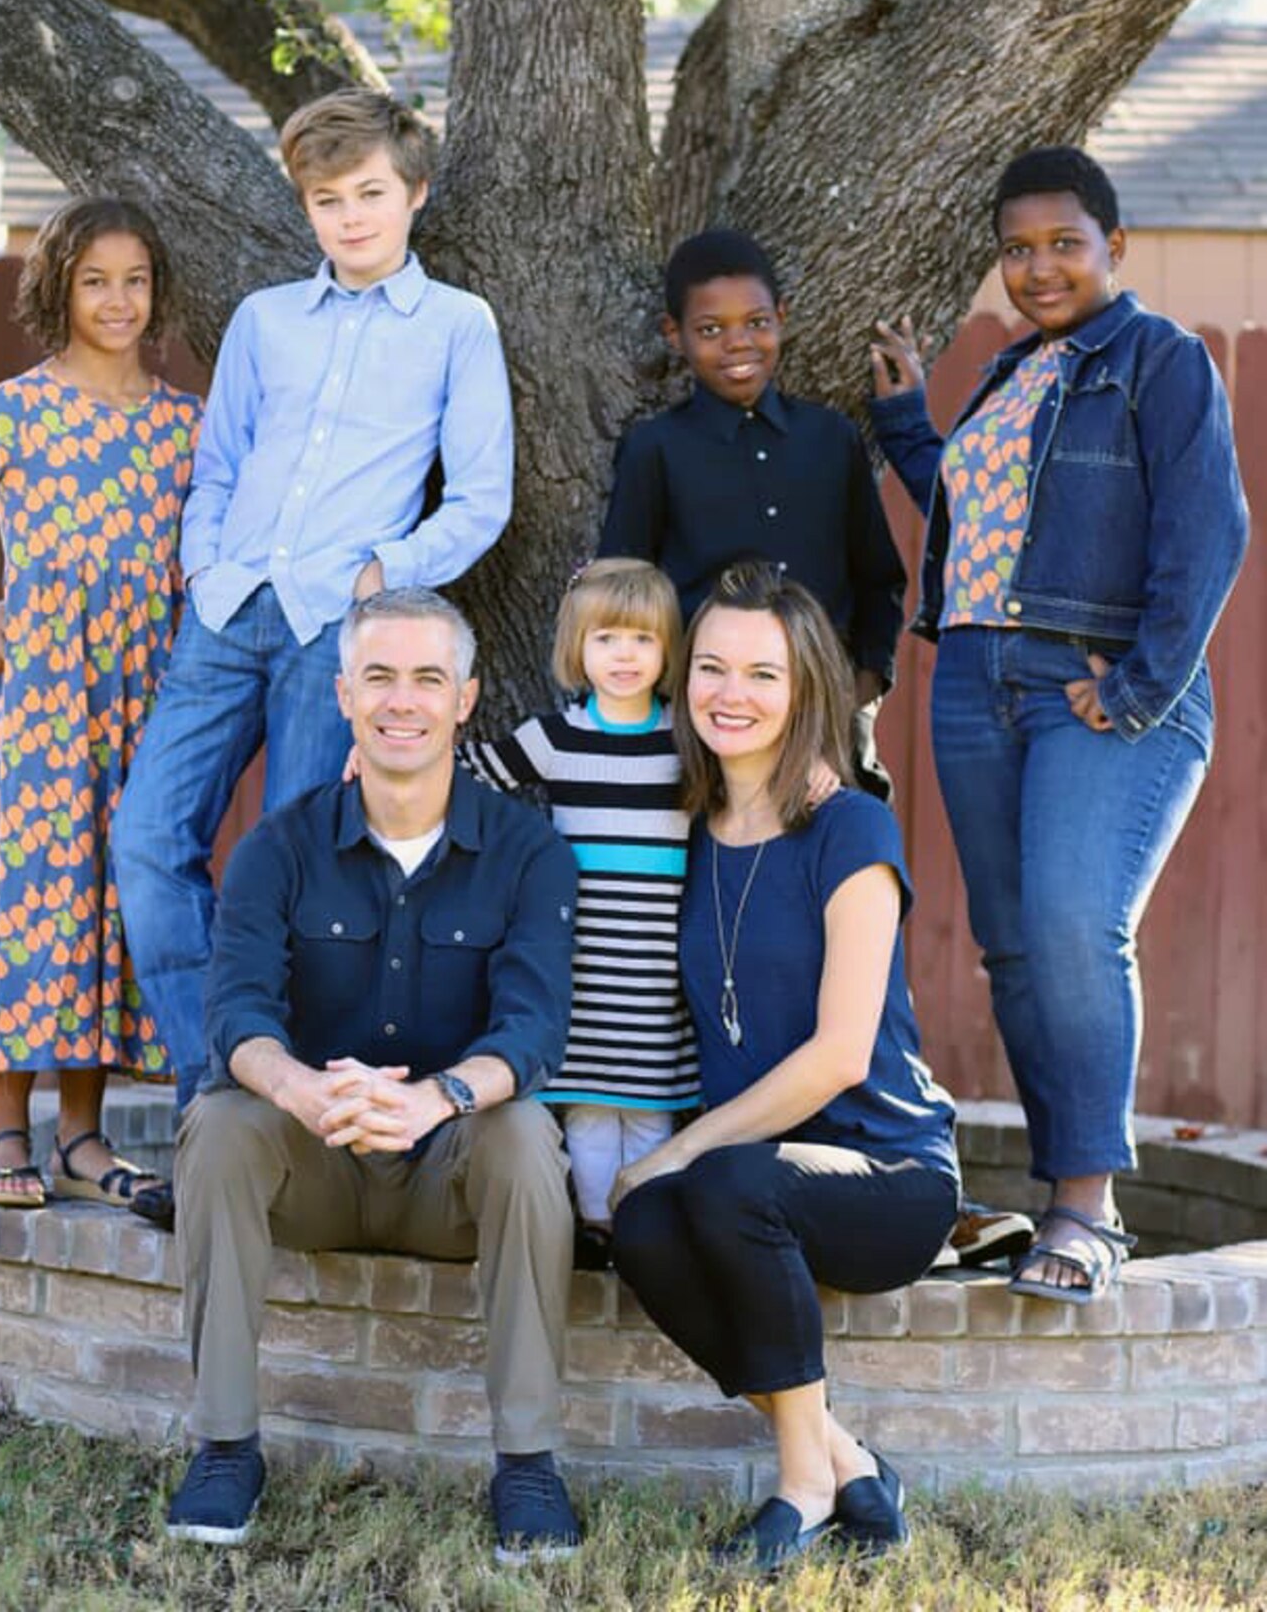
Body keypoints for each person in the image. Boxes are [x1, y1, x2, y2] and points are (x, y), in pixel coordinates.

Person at [869, 145, 1249, 1304]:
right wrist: (900, 421)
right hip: (977, 683)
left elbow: (1209, 534)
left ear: (1114, 247)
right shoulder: (1009, 377)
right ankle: (1062, 1194)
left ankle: (1086, 1208)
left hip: (1101, 690)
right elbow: (978, 514)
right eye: (1017, 250)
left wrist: (1135, 685)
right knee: (1018, 947)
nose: (1038, 269)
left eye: (1063, 244)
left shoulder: (1159, 360)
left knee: (1078, 926)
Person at [112, 88, 514, 1127]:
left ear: (414, 193)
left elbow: (480, 498)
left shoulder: (457, 327)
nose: (351, 216)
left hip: (333, 629)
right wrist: (204, 566)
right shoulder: (265, 319)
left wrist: (380, 576)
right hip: (226, 609)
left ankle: (257, 1118)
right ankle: (228, 1081)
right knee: (148, 837)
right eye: (327, 198)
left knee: (299, 875)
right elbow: (220, 464)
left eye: (370, 192)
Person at [165, 588, 581, 1561]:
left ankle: (527, 1462)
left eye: (428, 677)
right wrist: (301, 1090)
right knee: (221, 1120)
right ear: (345, 694)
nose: (404, 700)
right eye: (381, 677)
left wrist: (437, 1097)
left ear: (466, 696)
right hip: (312, 1162)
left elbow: (535, 1027)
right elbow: (236, 1015)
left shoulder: (526, 852)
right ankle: (226, 1445)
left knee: (525, 1136)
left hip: (451, 1173)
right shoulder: (278, 846)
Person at [610, 566, 959, 1576]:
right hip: (752, 1179)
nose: (731, 690)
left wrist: (676, 1144)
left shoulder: (850, 828)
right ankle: (845, 1461)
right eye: (710, 666)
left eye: (761, 671)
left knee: (710, 1177)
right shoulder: (686, 833)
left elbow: (842, 1053)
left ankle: (799, 1488)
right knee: (640, 1222)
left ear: (805, 687)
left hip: (887, 1174)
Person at [0, 196, 200, 1209]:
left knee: (114, 897)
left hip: (151, 694)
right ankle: (8, 1122)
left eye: (135, 279)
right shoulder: (15, 409)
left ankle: (84, 1135)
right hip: (46, 693)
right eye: (96, 279)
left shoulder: (185, 426)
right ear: (59, 288)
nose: (118, 299)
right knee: (38, 887)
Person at [597, 227, 906, 798]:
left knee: (838, 855)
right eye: (711, 330)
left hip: (826, 722)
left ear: (782, 317)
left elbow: (878, 578)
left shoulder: (831, 439)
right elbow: (623, 593)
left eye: (757, 323)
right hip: (710, 722)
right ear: (675, 334)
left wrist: (856, 693)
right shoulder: (657, 449)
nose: (738, 344)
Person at [459, 558, 699, 1265]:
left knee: (650, 1105)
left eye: (641, 641)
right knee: (591, 1106)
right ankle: (596, 1226)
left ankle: (641, 1224)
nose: (623, 656)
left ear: (666, 651)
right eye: (605, 640)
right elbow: (471, 769)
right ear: (576, 648)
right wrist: (387, 757)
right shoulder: (556, 739)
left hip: (656, 962)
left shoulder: (685, 741)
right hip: (585, 956)